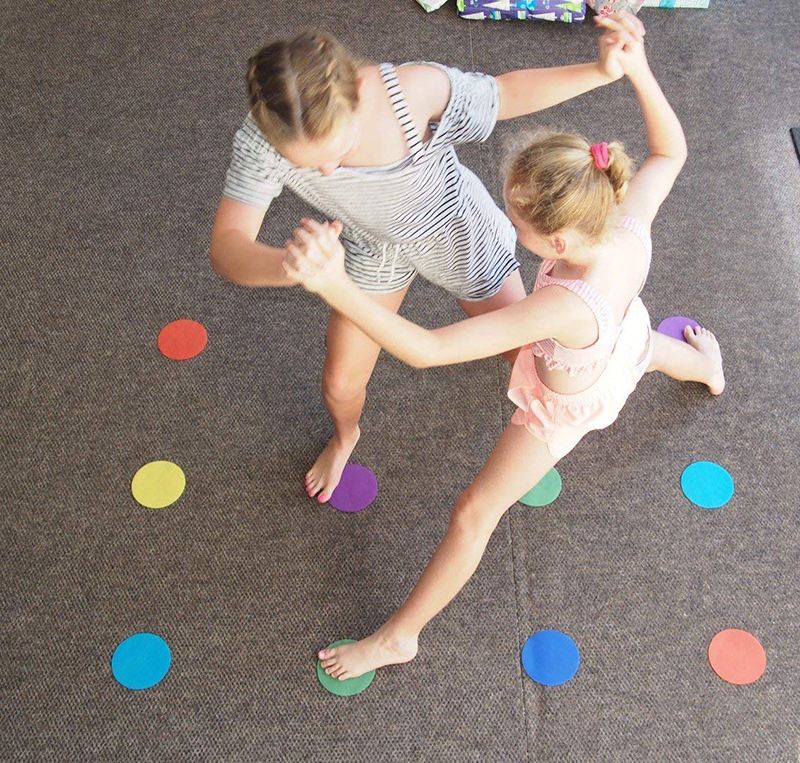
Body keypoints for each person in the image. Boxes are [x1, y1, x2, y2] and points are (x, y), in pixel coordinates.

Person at [283, 18, 724, 681]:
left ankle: (400, 636)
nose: (506, 228)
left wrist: (337, 285)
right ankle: (711, 368)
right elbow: (670, 153)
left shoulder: (555, 306)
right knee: (646, 351)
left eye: (517, 225)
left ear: (561, 245)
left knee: (473, 512)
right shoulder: (623, 221)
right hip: (620, 335)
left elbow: (428, 350)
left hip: (561, 403)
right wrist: (636, 68)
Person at [211, 16, 645, 502]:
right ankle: (345, 437)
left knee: (526, 355)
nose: (328, 171)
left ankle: (640, 352)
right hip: (373, 250)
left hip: (455, 232)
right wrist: (293, 266)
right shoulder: (262, 139)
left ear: (358, 88)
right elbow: (228, 247)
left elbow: (505, 94)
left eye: (340, 149)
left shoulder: (411, 91)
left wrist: (599, 71)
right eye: (308, 166)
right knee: (338, 383)